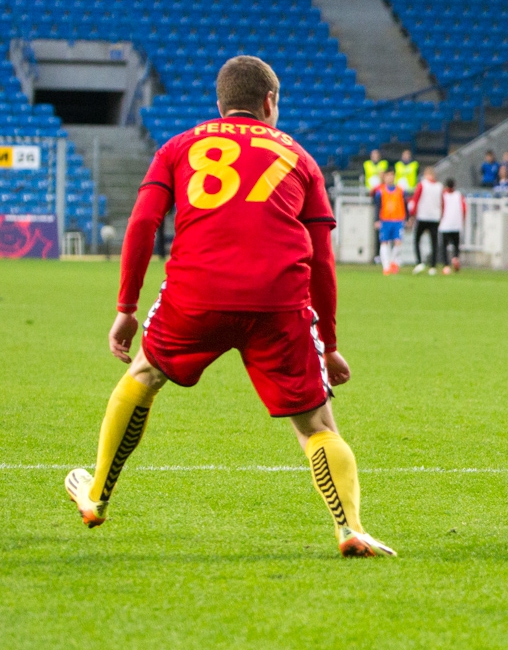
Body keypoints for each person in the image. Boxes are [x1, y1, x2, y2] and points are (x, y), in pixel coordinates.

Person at [64, 55, 393, 557]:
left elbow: (142, 223)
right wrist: (328, 345)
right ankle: (349, 528)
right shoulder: (300, 158)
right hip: (278, 303)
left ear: (220, 105)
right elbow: (322, 261)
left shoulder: (179, 146)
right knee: (318, 427)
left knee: (144, 375)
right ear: (269, 103)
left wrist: (127, 306)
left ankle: (97, 495)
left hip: (196, 295)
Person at [409, 168, 443, 275]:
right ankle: (432, 266)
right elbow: (442, 203)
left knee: (417, 239)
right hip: (435, 217)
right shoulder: (439, 186)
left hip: (423, 216)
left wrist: (412, 215)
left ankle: (419, 262)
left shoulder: (422, 185)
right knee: (433, 241)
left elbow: (415, 199)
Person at [373, 168, 407, 275]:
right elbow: (377, 206)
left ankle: (392, 261)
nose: (390, 177)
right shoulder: (380, 191)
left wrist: (408, 217)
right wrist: (376, 220)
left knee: (398, 242)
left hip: (398, 220)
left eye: (392, 175)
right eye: (388, 175)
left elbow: (405, 205)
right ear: (385, 177)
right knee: (384, 242)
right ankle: (386, 266)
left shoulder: (400, 190)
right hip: (385, 220)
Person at [438, 178, 466, 275]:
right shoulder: (459, 195)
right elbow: (464, 208)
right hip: (456, 224)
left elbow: (440, 207)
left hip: (445, 224)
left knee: (444, 246)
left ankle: (446, 266)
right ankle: (455, 258)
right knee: (456, 245)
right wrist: (462, 220)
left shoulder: (443, 195)